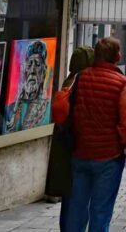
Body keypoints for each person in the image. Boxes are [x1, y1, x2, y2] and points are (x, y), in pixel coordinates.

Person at [53, 37, 126, 232]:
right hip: (109, 157)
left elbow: (61, 109)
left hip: (80, 153)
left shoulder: (80, 78)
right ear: (117, 57)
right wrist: (124, 145)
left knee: (76, 209)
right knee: (101, 211)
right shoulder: (122, 83)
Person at [46, 46, 94, 226]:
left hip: (63, 143)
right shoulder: (80, 82)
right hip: (74, 144)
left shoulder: (69, 80)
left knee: (68, 195)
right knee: (78, 197)